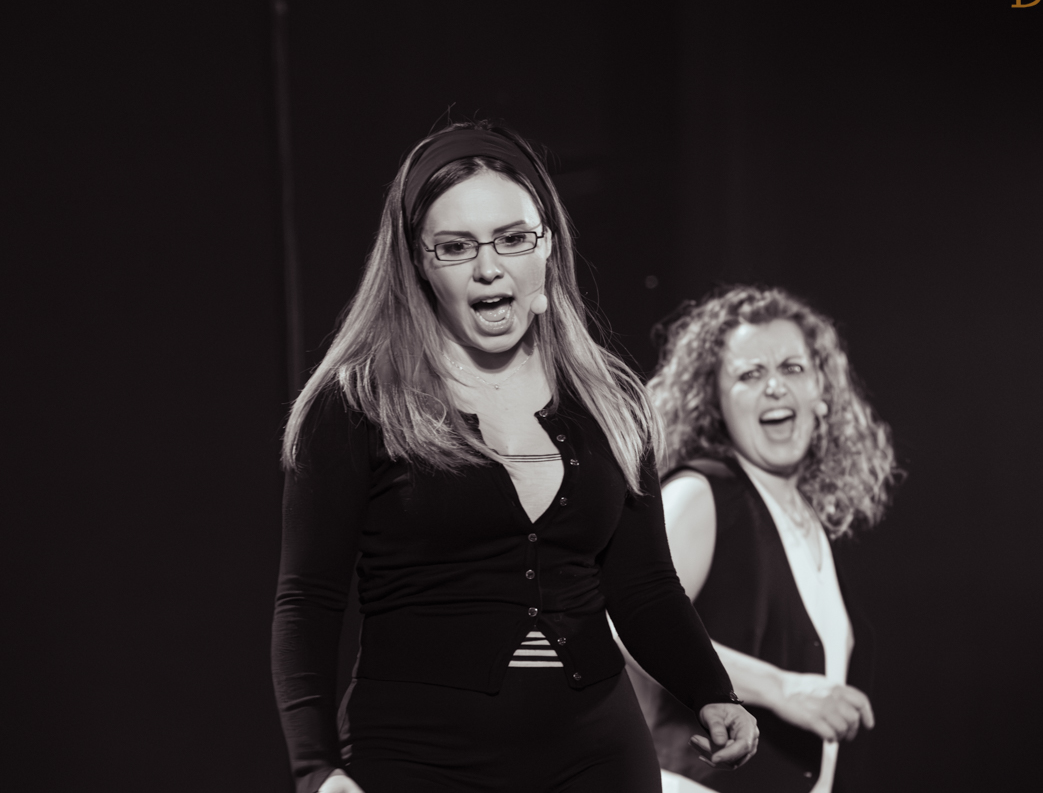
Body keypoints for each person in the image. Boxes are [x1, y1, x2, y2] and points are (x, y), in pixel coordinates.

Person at [270, 121, 759, 793]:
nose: (488, 267)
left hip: (597, 757)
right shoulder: (360, 402)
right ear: (417, 262)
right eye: (455, 246)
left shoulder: (610, 399)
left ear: (548, 243)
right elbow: (308, 600)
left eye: (512, 237)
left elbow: (644, 584)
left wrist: (712, 690)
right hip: (418, 756)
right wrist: (315, 769)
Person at [632, 285, 898, 793]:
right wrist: (782, 689)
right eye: (750, 375)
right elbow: (631, 622)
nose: (774, 386)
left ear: (821, 391)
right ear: (715, 401)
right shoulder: (702, 493)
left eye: (792, 368)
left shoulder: (807, 521)